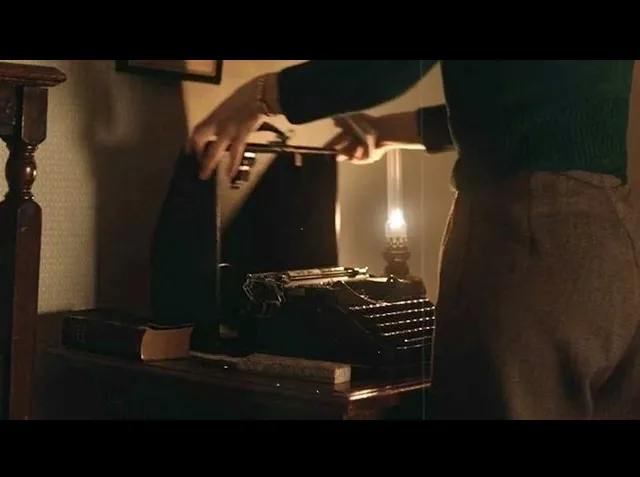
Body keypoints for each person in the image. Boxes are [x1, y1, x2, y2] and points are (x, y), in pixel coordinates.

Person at [188, 60, 640, 420]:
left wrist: (261, 96)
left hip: (526, 236)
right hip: (612, 238)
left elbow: (386, 67)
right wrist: (386, 132)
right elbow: (528, 101)